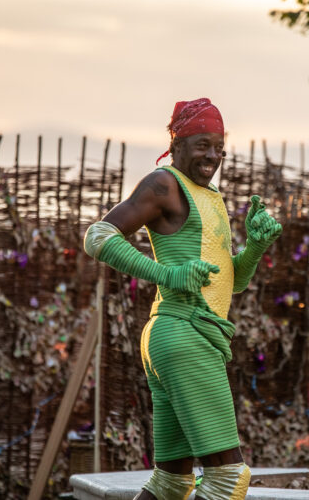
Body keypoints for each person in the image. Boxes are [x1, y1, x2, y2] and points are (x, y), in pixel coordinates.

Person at [83, 98, 281, 500]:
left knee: (171, 483)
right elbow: (98, 237)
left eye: (218, 146)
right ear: (177, 145)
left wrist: (256, 248)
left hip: (178, 336)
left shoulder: (209, 197)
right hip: (184, 333)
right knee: (228, 477)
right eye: (202, 144)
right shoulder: (164, 183)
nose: (212, 155)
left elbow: (230, 283)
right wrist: (166, 274)